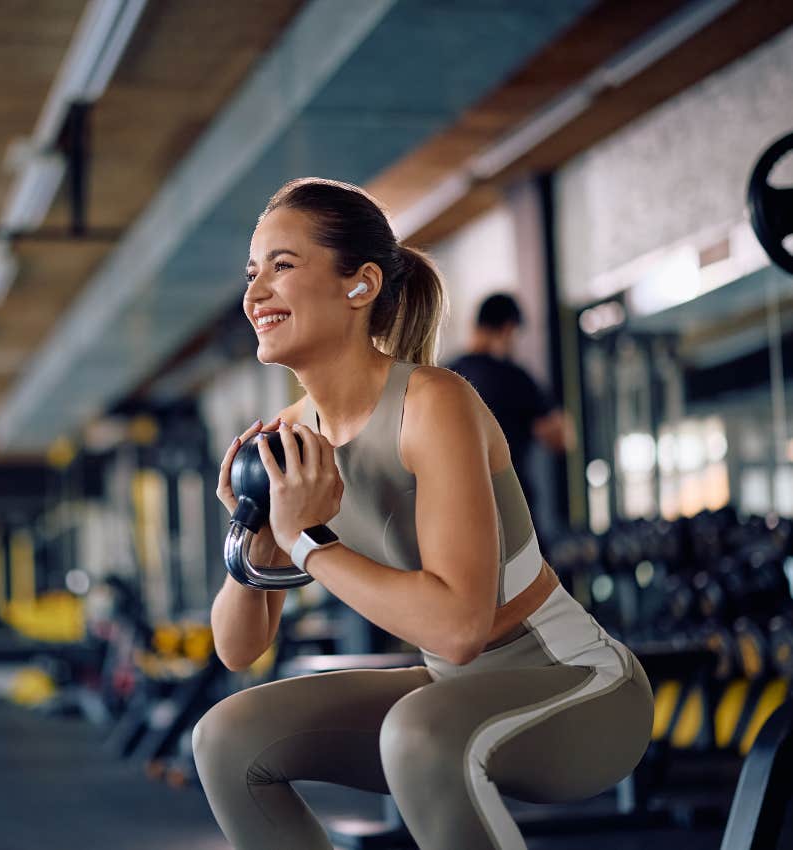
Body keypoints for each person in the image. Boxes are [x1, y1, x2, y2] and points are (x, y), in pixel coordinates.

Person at [192, 178, 653, 850]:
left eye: (282, 266)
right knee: (226, 738)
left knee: (418, 732)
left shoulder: (433, 402)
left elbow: (458, 628)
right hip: (448, 692)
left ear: (361, 284)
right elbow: (238, 649)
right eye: (252, 272)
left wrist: (306, 540)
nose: (255, 292)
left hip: (580, 690)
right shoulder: (290, 440)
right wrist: (255, 539)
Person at [445, 293, 576, 521]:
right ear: (508, 329)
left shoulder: (445, 374)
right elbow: (563, 438)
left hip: (458, 508)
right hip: (511, 509)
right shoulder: (515, 378)